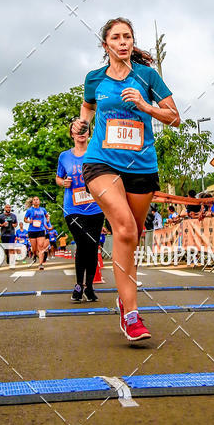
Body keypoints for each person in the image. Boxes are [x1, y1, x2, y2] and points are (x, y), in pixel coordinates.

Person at [72, 17, 180, 342]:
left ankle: (124, 296)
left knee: (131, 238)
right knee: (125, 229)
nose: (122, 42)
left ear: (133, 42)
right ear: (105, 45)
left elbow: (174, 117)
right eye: (116, 37)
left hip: (141, 166)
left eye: (128, 37)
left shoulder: (147, 75)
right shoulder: (94, 79)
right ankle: (132, 315)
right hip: (101, 162)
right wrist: (82, 124)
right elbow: (87, 106)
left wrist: (145, 106)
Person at [56, 119, 105, 302]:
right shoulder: (64, 157)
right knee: (83, 244)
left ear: (88, 133)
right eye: (78, 131)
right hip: (73, 209)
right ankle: (78, 285)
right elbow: (58, 178)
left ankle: (89, 287)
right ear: (72, 135)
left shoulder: (96, 153)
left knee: (92, 248)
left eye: (85, 130)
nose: (81, 133)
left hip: (95, 208)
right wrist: (63, 182)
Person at [24, 196, 50, 270]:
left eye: (37, 200)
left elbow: (47, 216)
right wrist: (29, 221)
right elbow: (25, 219)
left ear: (39, 201)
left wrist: (47, 220)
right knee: (34, 249)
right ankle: (34, 255)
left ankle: (41, 264)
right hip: (32, 230)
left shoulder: (43, 209)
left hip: (41, 230)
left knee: (40, 247)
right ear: (32, 202)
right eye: (34, 200)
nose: (36, 201)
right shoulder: (29, 210)